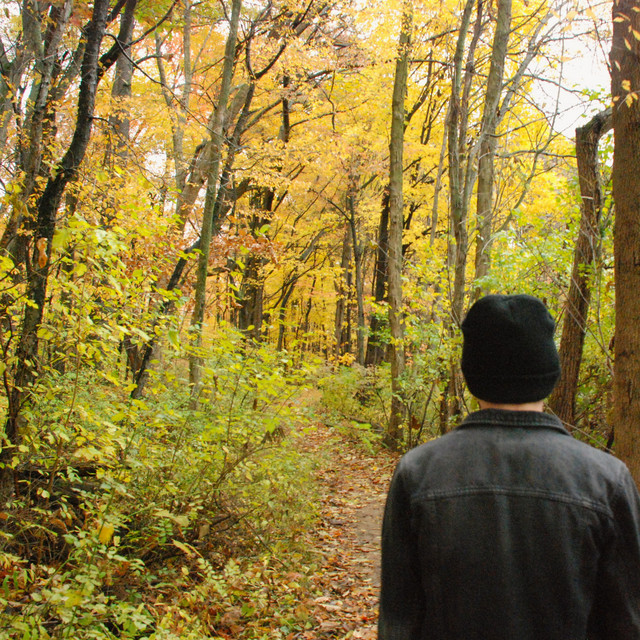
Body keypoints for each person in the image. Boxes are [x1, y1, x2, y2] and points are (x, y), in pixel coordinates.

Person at [378, 294, 640, 640]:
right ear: (550, 371)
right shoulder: (607, 480)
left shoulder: (417, 473)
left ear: (471, 373)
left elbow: (399, 621)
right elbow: (627, 622)